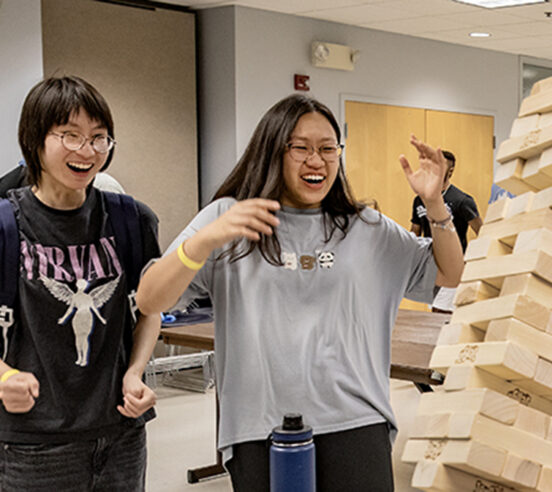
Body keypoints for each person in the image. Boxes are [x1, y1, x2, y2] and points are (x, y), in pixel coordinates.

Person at [135, 94, 464, 491]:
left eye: (328, 149)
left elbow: (450, 273)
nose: (317, 160)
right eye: (301, 148)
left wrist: (434, 203)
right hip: (260, 427)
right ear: (274, 150)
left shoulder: (366, 227)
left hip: (356, 421)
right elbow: (150, 299)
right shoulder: (227, 218)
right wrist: (204, 242)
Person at [0, 76, 161, 490]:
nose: (86, 151)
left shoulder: (130, 219)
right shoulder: (5, 224)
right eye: (70, 136)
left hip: (121, 435)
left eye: (99, 138)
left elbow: (148, 308)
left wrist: (136, 372)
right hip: (31, 445)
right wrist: (2, 377)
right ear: (35, 140)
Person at [409, 149, 481, 313]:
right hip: (429, 266)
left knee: (442, 312)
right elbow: (415, 231)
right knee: (435, 311)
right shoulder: (420, 199)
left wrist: (472, 262)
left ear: (450, 171)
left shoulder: (462, 200)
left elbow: (482, 232)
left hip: (453, 265)